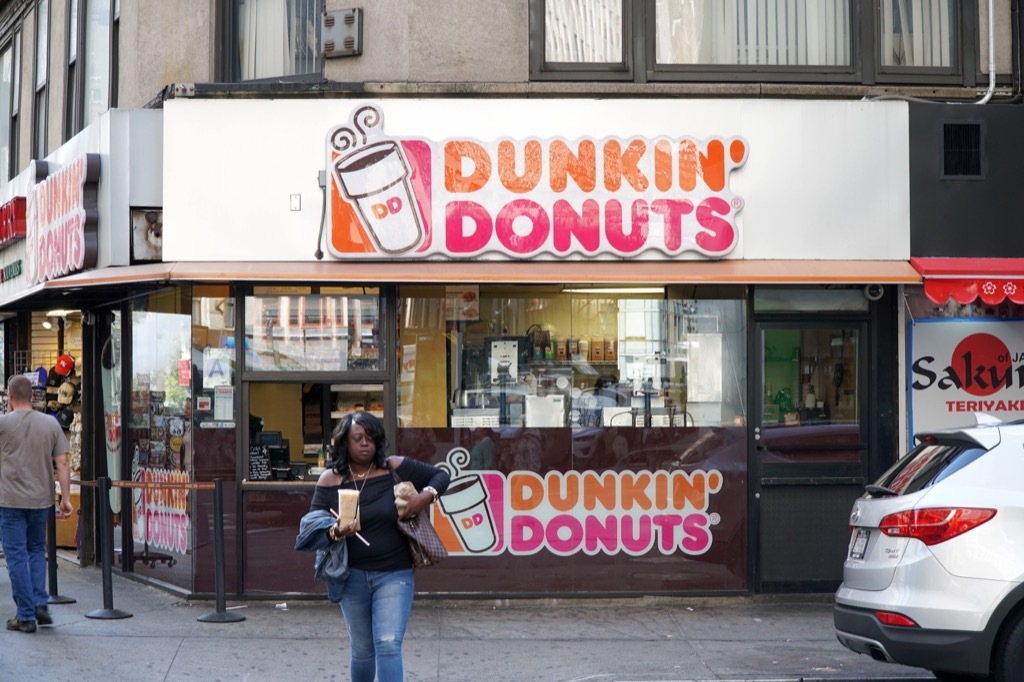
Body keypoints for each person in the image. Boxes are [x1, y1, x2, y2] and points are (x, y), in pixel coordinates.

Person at [310, 411, 449, 682]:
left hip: (394, 574)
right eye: (358, 438)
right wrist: (335, 531)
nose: (365, 444)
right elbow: (310, 528)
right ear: (344, 443)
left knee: (387, 644)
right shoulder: (331, 479)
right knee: (362, 650)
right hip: (351, 576)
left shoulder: (393, 468)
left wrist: (423, 498)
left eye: (370, 438)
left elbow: (440, 476)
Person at [0, 375, 73, 633]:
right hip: (41, 500)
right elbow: (62, 463)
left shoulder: (3, 424)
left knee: (16, 556)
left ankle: (26, 615)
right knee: (35, 551)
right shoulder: (50, 424)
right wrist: (65, 498)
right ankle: (40, 603)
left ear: (9, 396)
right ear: (32, 396)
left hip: (9, 500)